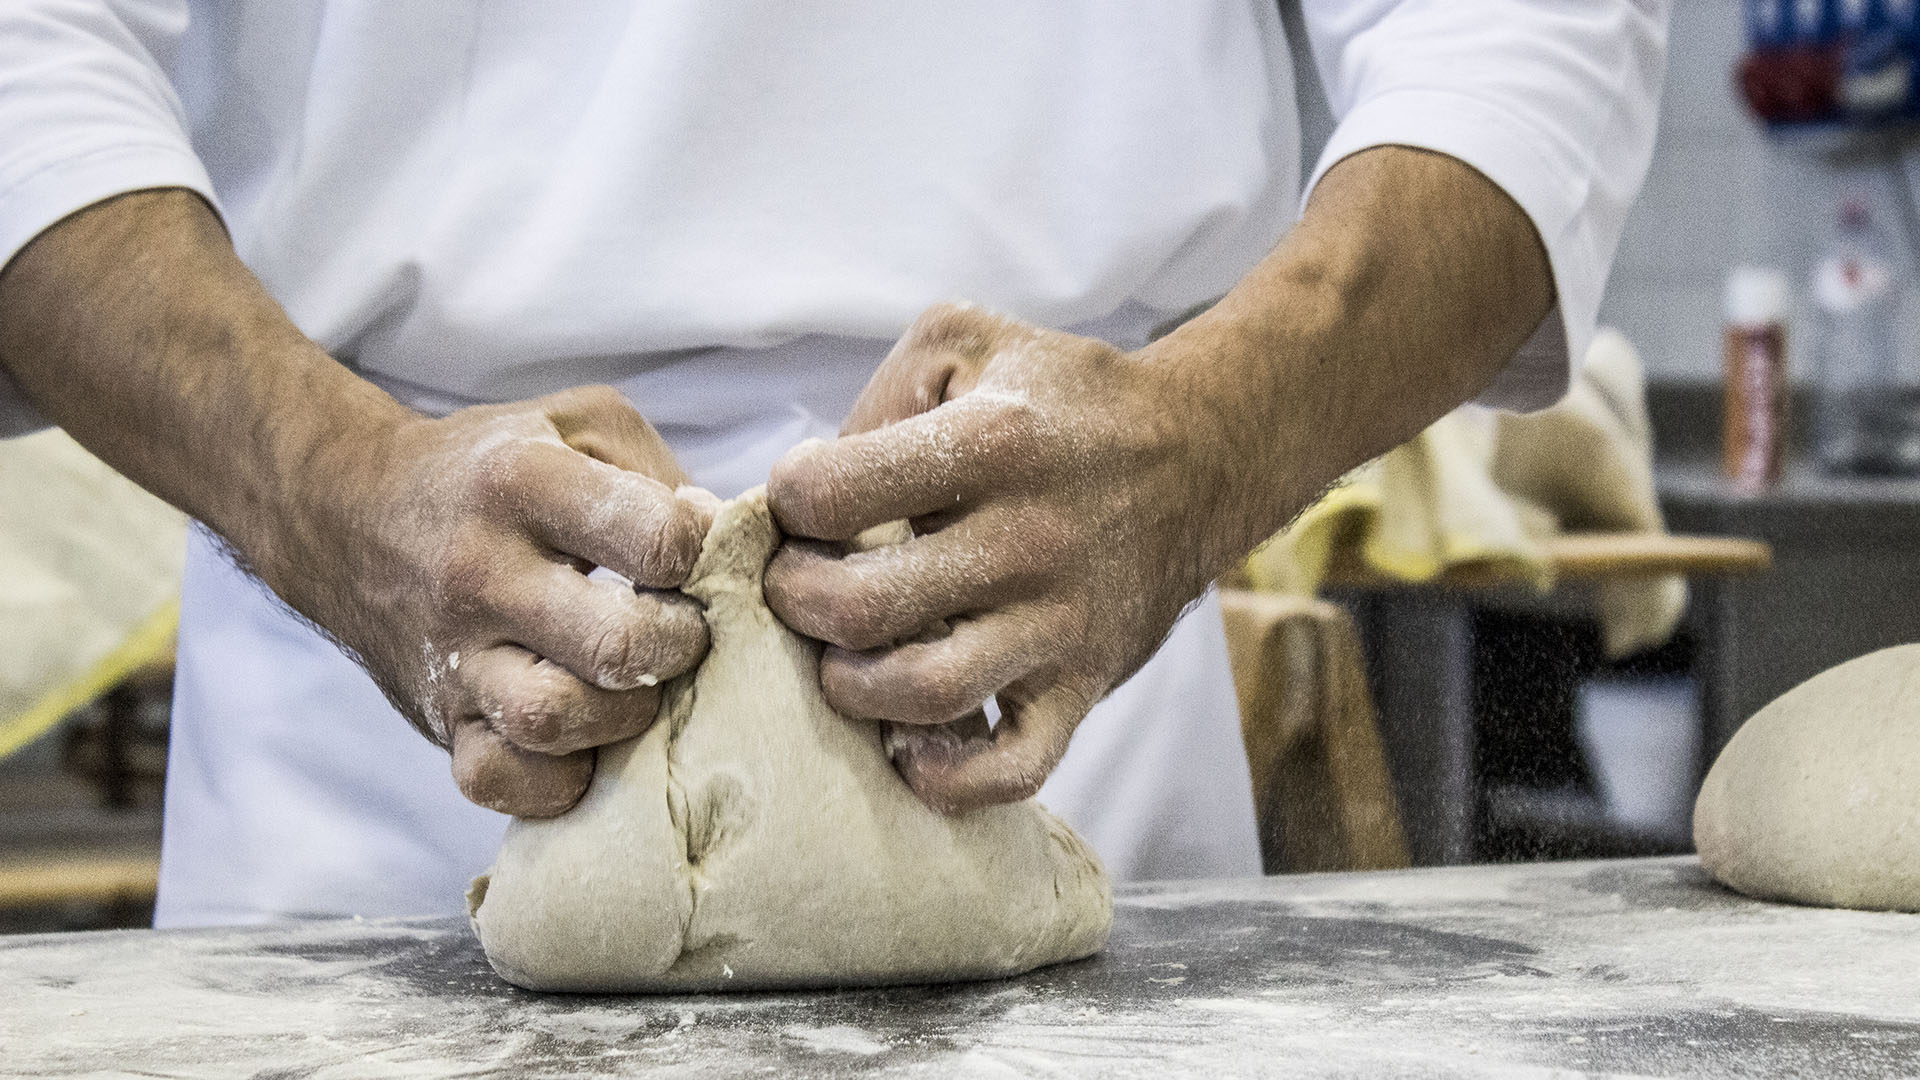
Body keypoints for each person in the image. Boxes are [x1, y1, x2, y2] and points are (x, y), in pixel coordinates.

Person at [0, 3, 1667, 925]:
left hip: (1062, 703)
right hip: (386, 746)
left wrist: (1210, 433)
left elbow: (1520, 31)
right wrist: (322, 482)